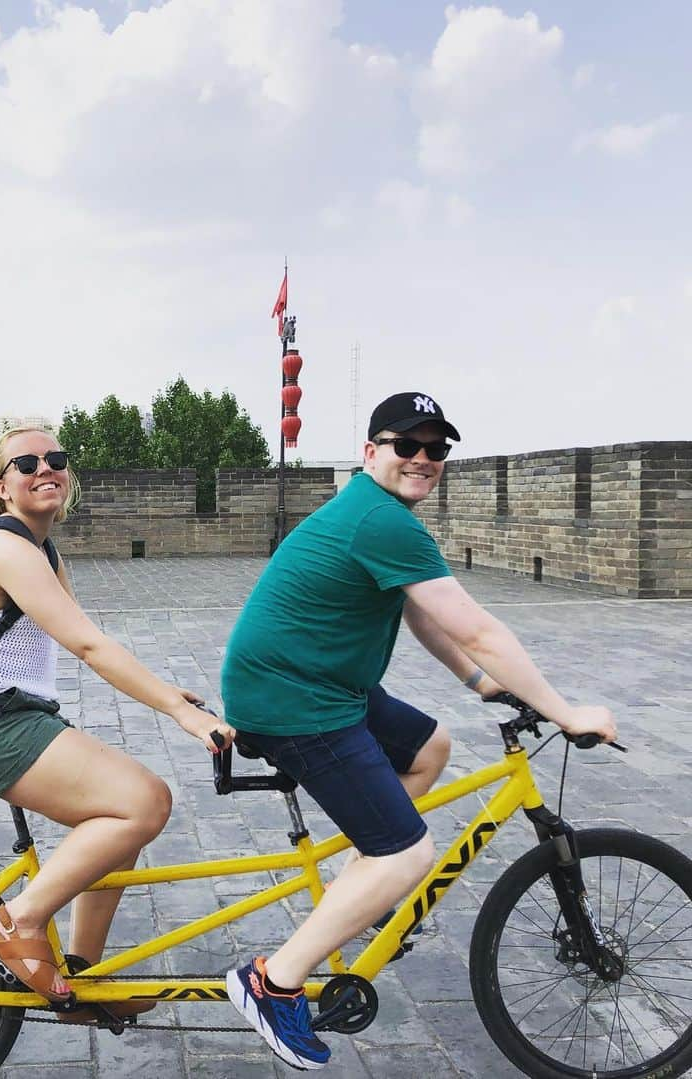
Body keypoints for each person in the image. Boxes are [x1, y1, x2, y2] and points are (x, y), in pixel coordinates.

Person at [220, 392, 618, 1070]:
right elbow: (478, 626)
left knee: (431, 746)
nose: (423, 459)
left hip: (318, 682)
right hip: (297, 698)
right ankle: (271, 980)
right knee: (408, 854)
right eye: (407, 445)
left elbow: (425, 614)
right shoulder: (384, 520)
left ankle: (359, 895)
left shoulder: (376, 515)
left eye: (437, 450)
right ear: (370, 451)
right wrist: (562, 709)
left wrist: (480, 682)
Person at [0, 425, 234, 1021]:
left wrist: (167, 690)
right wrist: (179, 714)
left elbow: (80, 636)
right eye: (26, 463)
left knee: (119, 822)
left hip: (10, 716)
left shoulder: (41, 549)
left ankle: (83, 977)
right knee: (142, 802)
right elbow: (90, 647)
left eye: (56, 459)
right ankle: (17, 921)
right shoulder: (5, 549)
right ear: (3, 487)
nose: (45, 468)